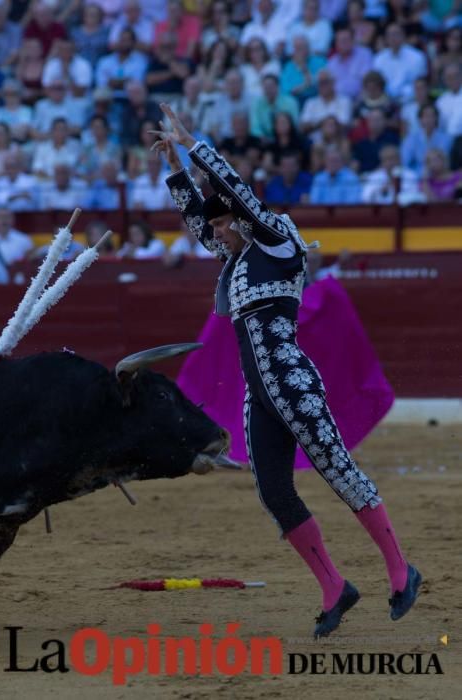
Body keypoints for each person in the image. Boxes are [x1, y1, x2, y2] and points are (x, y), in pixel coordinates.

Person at [153, 103, 422, 639]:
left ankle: (399, 568)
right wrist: (175, 170)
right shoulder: (234, 256)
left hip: (293, 380)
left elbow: (238, 193)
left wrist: (193, 143)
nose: (218, 234)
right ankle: (334, 588)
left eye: (224, 223)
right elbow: (198, 223)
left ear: (238, 218)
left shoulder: (276, 240)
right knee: (274, 493)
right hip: (261, 393)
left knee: (337, 471)